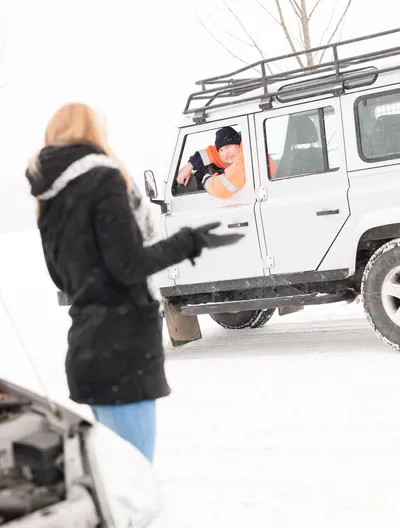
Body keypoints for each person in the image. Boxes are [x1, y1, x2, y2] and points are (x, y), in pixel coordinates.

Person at [25, 103, 243, 463]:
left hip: (88, 352)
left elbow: (61, 277)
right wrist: (188, 242)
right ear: (93, 133)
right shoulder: (104, 178)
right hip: (122, 351)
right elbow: (128, 265)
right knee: (136, 480)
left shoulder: (49, 196)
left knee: (118, 480)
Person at [176, 126, 278, 200]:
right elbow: (210, 153)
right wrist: (190, 166)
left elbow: (221, 190)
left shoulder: (246, 156)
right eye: (221, 150)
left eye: (228, 147)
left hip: (272, 195)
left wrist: (206, 179)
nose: (225, 154)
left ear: (237, 143)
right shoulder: (238, 151)